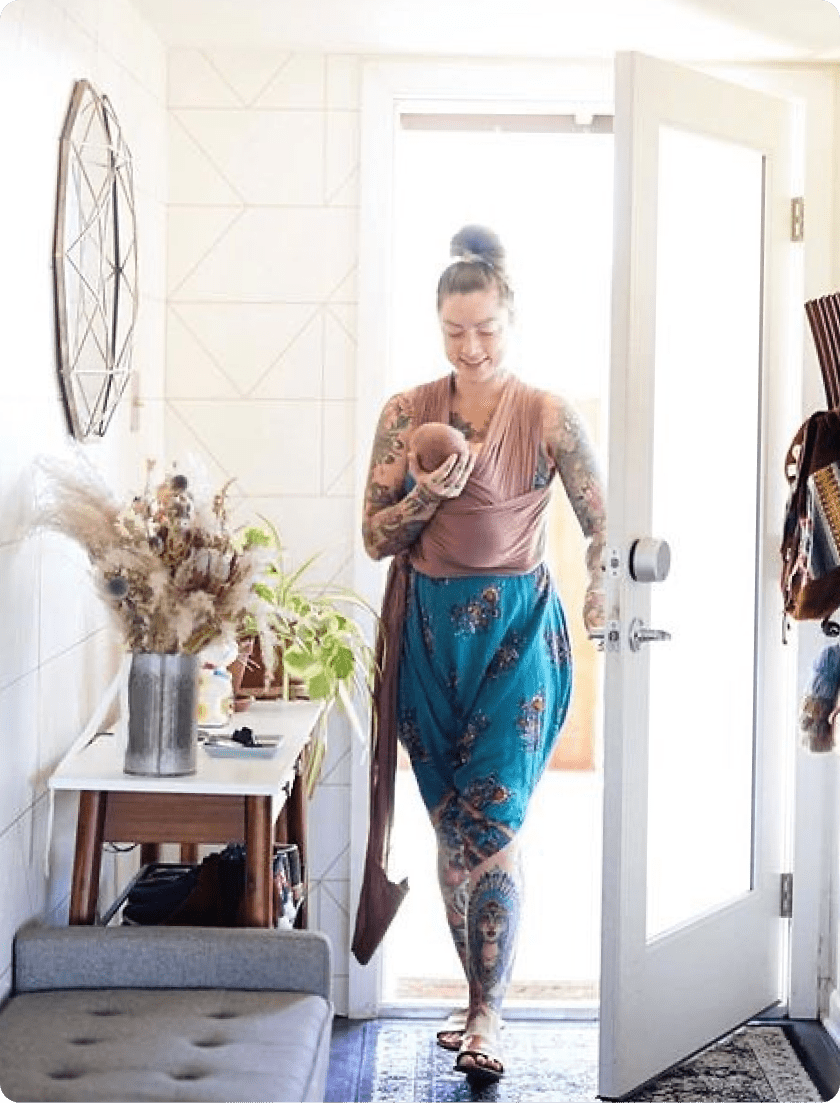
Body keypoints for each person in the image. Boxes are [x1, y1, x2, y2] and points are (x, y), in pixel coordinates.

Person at [352, 224, 606, 1085]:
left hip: (518, 636)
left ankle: (492, 1010)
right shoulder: (405, 413)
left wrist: (606, 583)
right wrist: (425, 495)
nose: (472, 347)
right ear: (438, 327)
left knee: (492, 828)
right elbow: (375, 535)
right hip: (427, 637)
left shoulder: (547, 413)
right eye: (455, 332)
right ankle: (473, 997)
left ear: (512, 317)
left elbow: (604, 518)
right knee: (452, 832)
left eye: (487, 328)